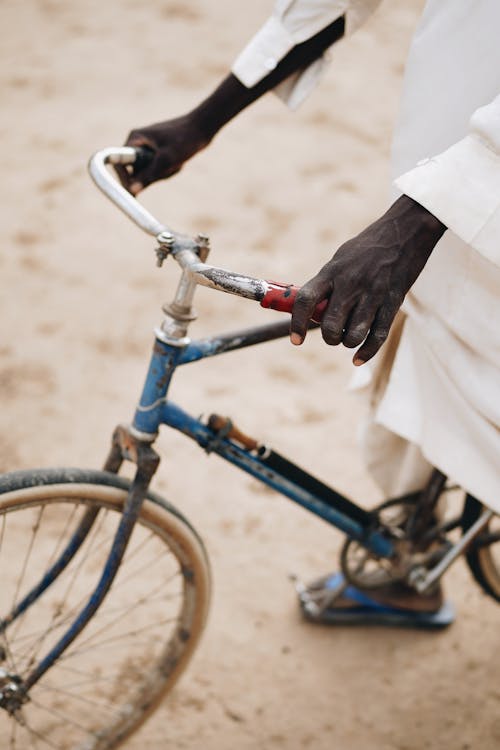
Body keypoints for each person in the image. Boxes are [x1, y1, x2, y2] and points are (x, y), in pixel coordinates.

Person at [119, 0, 500, 626]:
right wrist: (202, 121)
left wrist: (413, 226)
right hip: (428, 201)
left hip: (444, 216)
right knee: (422, 383)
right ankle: (409, 571)